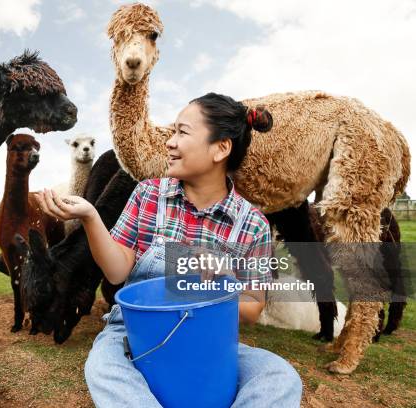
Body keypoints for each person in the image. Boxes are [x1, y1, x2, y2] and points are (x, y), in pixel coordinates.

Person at [34, 92, 302, 407]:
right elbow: (116, 270)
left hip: (209, 338)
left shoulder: (252, 224)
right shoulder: (148, 194)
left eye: (182, 132)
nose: (170, 142)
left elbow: (253, 307)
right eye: (172, 132)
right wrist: (91, 217)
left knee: (279, 377)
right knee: (104, 367)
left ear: (220, 148)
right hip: (134, 335)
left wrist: (223, 280)